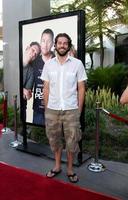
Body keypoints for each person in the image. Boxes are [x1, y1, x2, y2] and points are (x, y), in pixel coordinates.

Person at [41, 33, 87, 183]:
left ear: (68, 45)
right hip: (52, 110)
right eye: (59, 43)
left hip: (71, 110)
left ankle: (69, 169)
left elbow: (81, 88)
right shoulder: (48, 64)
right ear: (55, 45)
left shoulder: (77, 64)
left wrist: (79, 110)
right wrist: (47, 108)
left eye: (65, 43)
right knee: (54, 140)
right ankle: (57, 166)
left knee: (72, 141)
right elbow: (46, 88)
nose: (62, 45)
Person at [32, 28, 54, 125]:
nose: (45, 44)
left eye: (48, 41)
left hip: (54, 110)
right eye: (43, 41)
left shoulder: (57, 61)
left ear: (53, 44)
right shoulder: (34, 61)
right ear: (40, 42)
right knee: (36, 138)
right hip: (38, 111)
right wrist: (24, 88)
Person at [23, 42, 41, 121]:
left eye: (36, 54)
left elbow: (26, 95)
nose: (34, 54)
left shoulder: (31, 71)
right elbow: (8, 85)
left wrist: (27, 93)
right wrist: (23, 90)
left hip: (22, 107)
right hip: (7, 104)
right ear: (27, 47)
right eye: (33, 50)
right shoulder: (13, 61)